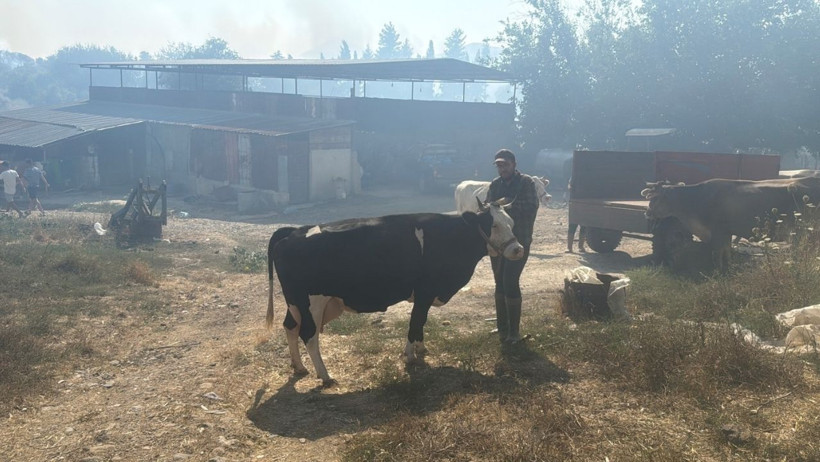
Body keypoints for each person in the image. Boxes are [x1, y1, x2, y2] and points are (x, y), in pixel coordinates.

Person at [485, 149, 539, 344]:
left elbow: (530, 206)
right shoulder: (495, 184)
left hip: (519, 241)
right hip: (499, 243)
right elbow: (487, 209)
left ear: (514, 164)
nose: (502, 169)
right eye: (499, 165)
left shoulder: (526, 182)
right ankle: (502, 327)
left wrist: (502, 207)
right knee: (499, 281)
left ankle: (514, 333)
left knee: (510, 280)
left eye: (505, 164)